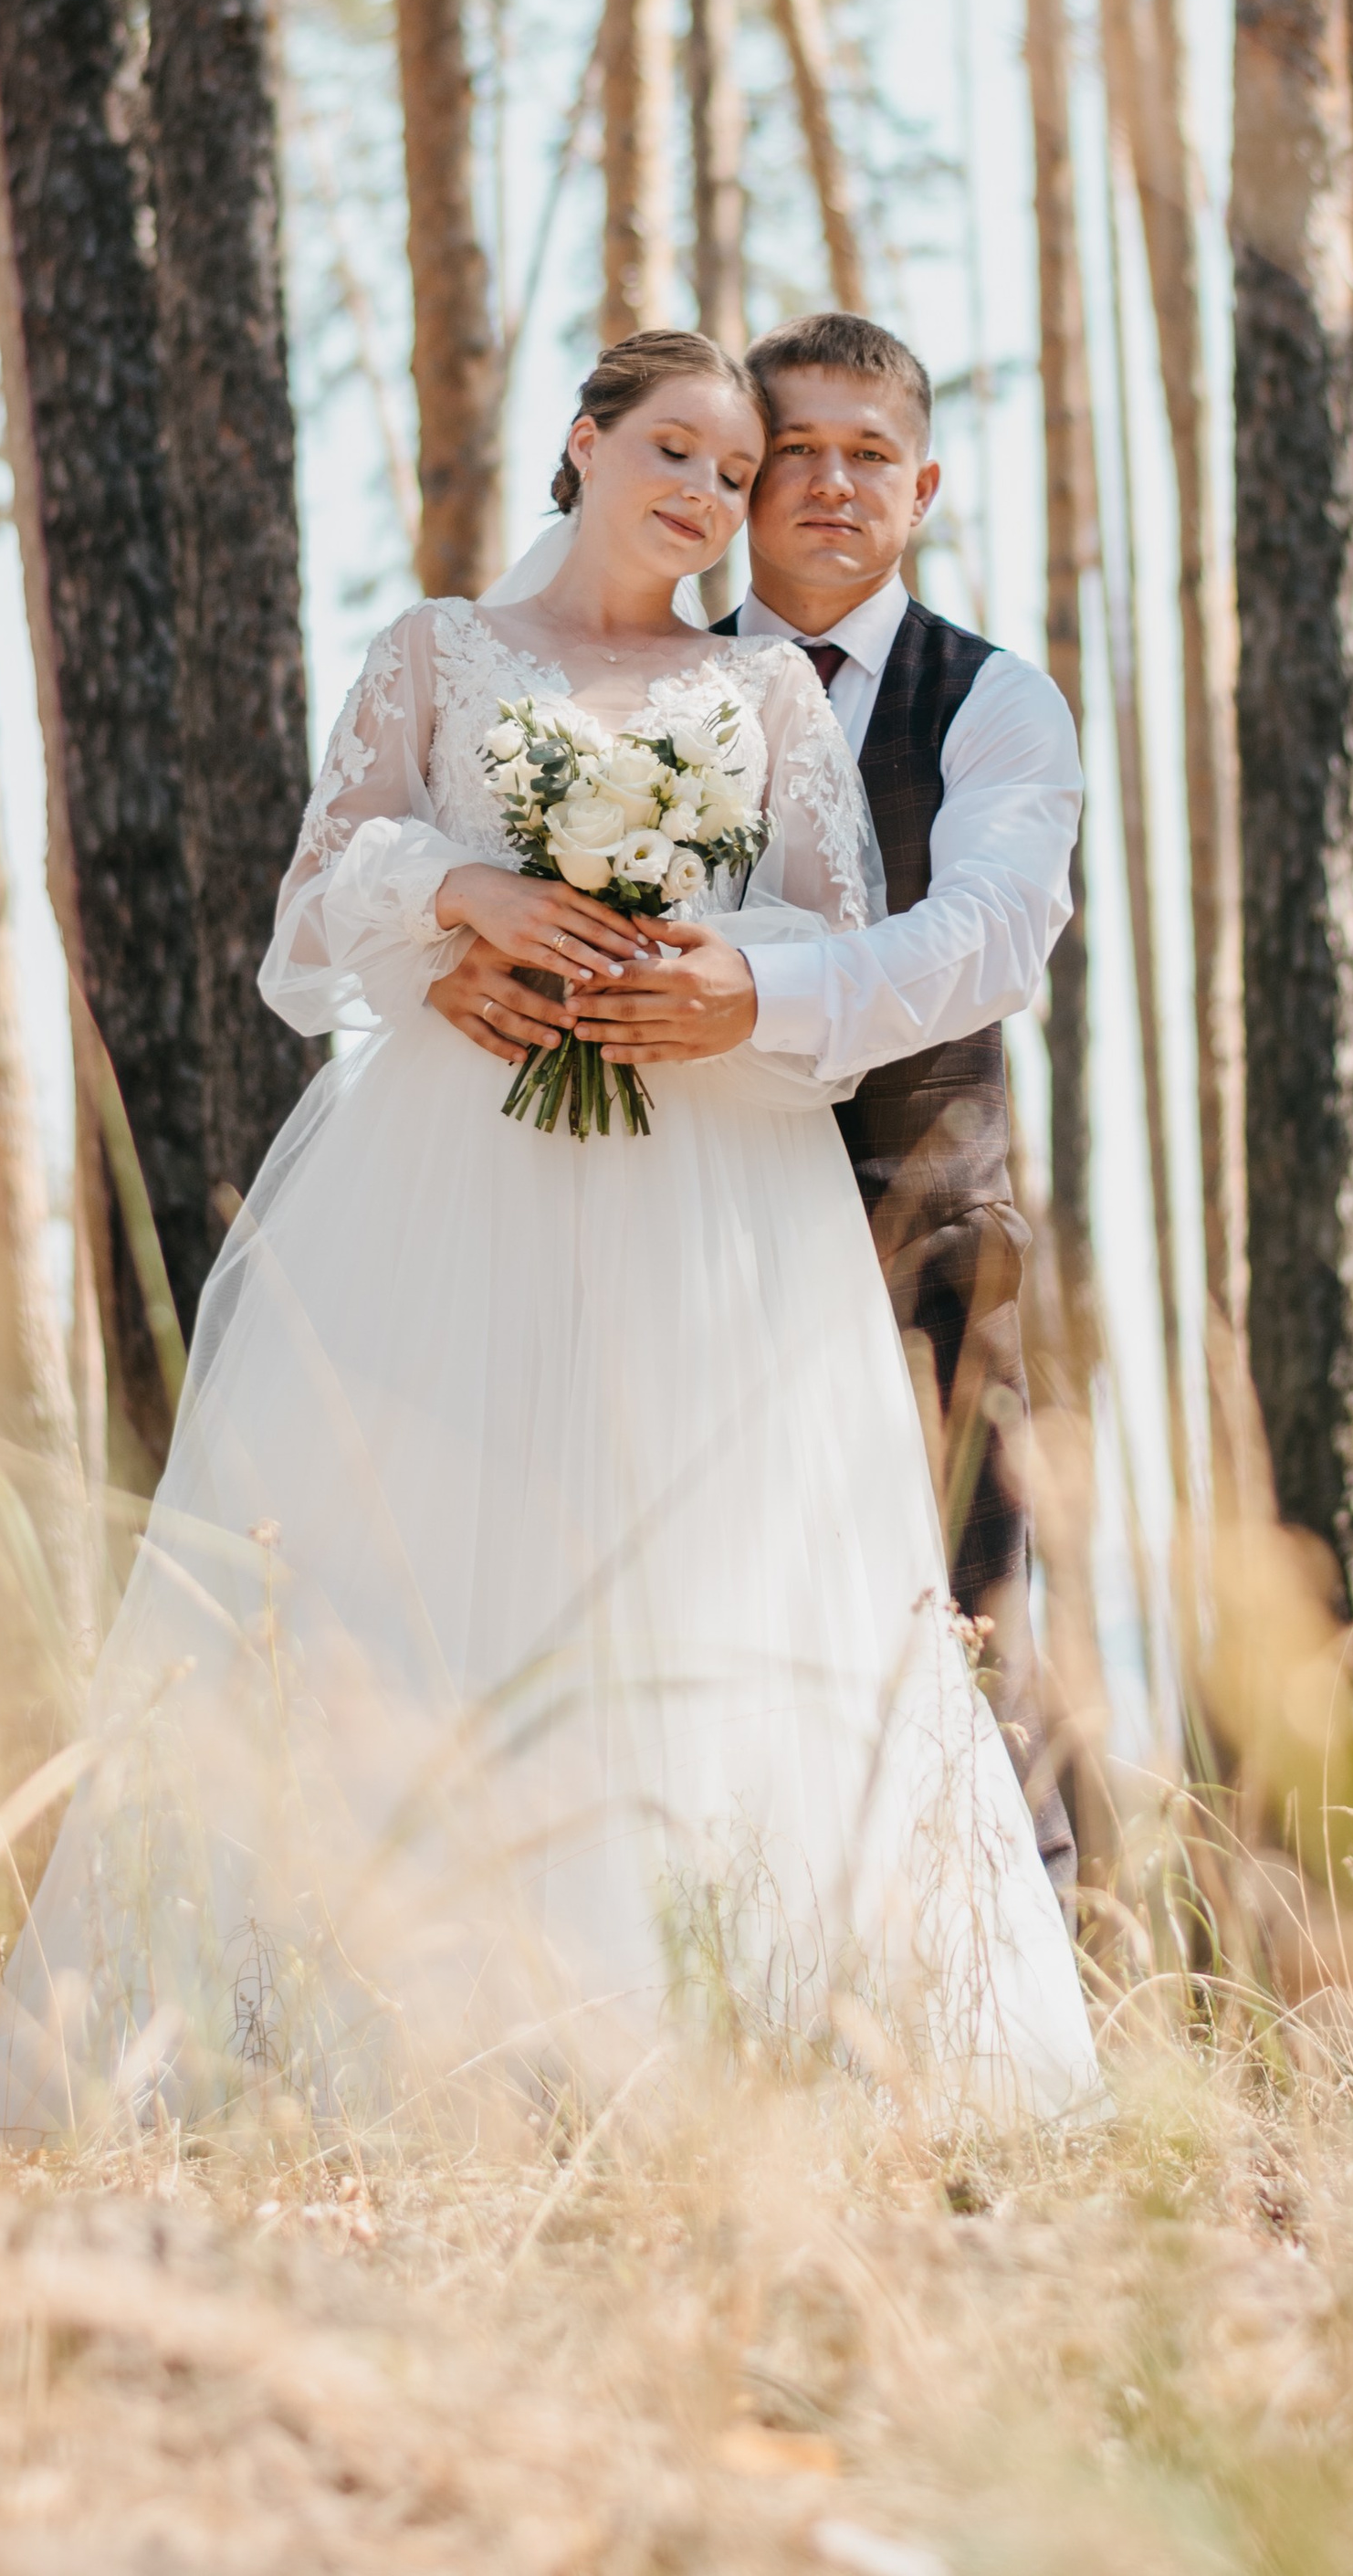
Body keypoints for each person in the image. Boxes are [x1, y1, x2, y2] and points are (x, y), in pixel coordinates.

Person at [0, 330, 1098, 2139]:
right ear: (579, 441)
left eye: (764, 469)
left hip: (763, 1196)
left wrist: (737, 995)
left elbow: (944, 932)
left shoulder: (921, 701)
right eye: (707, 455)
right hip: (459, 1167)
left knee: (811, 1589)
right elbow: (323, 904)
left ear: (913, 486)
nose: (732, 496)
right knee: (440, 1544)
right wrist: (458, 905)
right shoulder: (444, 651)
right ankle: (398, 2015)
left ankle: (781, 2023)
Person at [433, 316, 1083, 1888]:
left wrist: (760, 995)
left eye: (873, 456)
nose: (833, 485)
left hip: (920, 1233)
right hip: (673, 1238)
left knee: (961, 1623)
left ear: (922, 486)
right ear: (741, 481)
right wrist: (462, 969)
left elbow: (989, 933)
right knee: (697, 1621)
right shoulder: (626, 675)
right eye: (795, 453)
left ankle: (1029, 2027)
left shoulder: (994, 701)